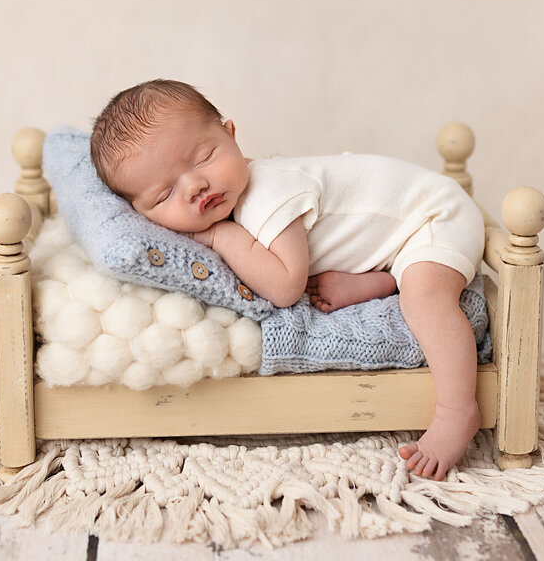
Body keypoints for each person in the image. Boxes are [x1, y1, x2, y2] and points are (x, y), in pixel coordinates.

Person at [89, 79, 485, 481]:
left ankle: (458, 410)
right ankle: (381, 279)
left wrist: (220, 236)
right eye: (164, 195)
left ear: (230, 135)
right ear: (139, 214)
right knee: (398, 276)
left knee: (425, 299)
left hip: (433, 217)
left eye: (204, 157)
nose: (194, 186)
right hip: (393, 234)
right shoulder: (228, 197)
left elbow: (285, 287)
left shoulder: (267, 197)